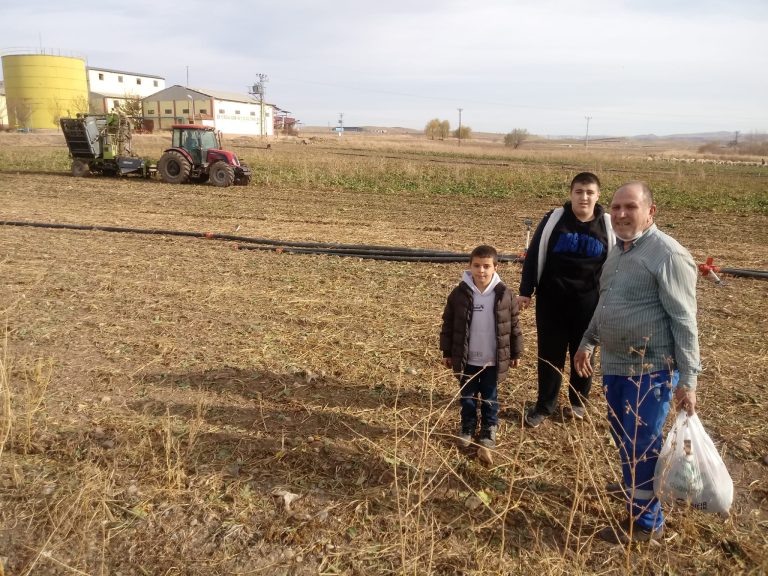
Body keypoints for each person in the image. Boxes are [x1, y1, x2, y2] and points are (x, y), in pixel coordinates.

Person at [574, 181, 700, 544]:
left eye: (630, 207)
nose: (621, 214)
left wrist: (688, 380)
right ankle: (634, 485)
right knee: (624, 438)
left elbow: (685, 322)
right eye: (615, 208)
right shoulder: (619, 251)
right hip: (614, 365)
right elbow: (606, 303)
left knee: (642, 443)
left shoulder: (668, 255)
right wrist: (587, 342)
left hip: (651, 368)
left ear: (650, 212)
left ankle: (646, 525)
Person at [518, 172, 616, 428]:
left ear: (598, 195)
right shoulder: (554, 220)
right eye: (579, 192)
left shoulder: (607, 225)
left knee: (583, 354)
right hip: (552, 303)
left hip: (589, 305)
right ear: (571, 193)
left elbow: (618, 265)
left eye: (589, 192)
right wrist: (525, 291)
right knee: (550, 355)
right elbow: (533, 255)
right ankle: (544, 405)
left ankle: (577, 404)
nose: (584, 197)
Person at [440, 245, 524, 449]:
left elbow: (513, 326)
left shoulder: (505, 295)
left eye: (486, 266)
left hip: (492, 360)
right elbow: (448, 324)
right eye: (476, 266)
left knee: (490, 397)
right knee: (467, 397)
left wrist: (515, 352)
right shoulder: (459, 294)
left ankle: (489, 427)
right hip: (467, 358)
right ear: (469, 266)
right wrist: (447, 351)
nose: (481, 271)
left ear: (496, 267)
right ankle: (467, 426)